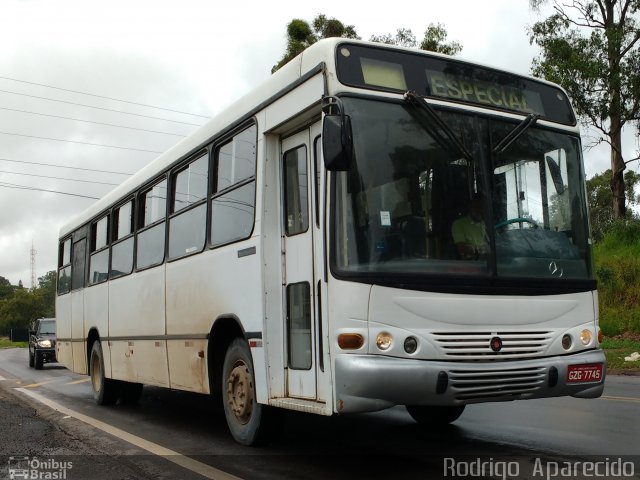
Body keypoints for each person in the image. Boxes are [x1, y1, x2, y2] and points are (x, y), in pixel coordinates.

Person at [452, 194, 488, 260]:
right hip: (470, 263)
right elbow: (461, 248)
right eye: (476, 207)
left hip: (488, 261)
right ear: (470, 208)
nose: (479, 210)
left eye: (482, 207)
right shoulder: (459, 224)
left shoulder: (485, 224)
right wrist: (484, 250)